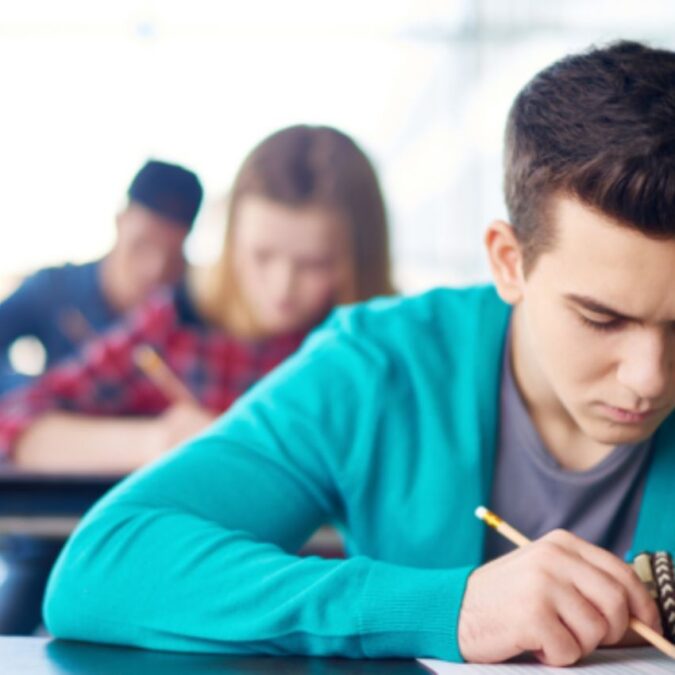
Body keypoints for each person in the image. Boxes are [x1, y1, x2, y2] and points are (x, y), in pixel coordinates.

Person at [41, 41, 675, 667]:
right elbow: (104, 566)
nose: (649, 377)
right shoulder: (381, 365)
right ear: (510, 263)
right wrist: (452, 608)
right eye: (601, 318)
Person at [0, 124, 393, 633]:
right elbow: (20, 424)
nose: (282, 287)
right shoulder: (179, 320)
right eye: (262, 256)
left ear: (358, 258)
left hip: (348, 615)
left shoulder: (386, 340)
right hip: (202, 613)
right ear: (231, 241)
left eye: (314, 263)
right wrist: (162, 439)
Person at [0, 160, 204, 394]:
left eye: (172, 256)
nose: (155, 269)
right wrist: (40, 393)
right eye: (142, 245)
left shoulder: (192, 310)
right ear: (121, 221)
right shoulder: (55, 288)